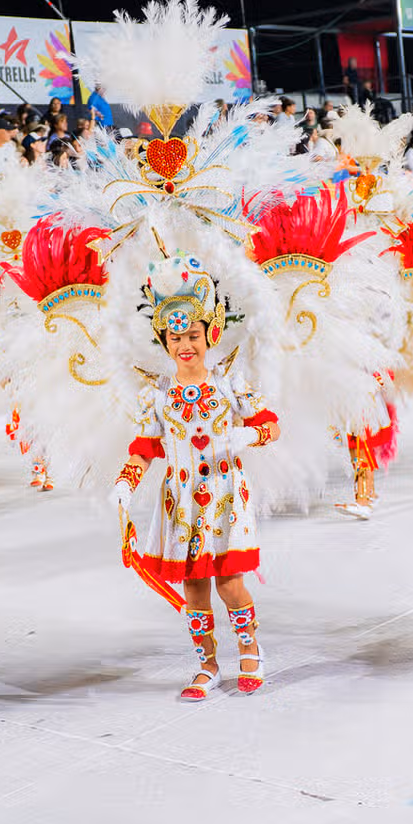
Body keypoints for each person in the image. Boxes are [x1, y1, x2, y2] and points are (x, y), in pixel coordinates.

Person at [108, 254, 282, 700]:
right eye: (175, 337)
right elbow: (145, 447)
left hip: (225, 496)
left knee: (230, 582)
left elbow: (271, 427)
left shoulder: (230, 383)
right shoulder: (157, 396)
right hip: (181, 501)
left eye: (192, 335)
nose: (185, 345)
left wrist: (248, 435)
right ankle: (207, 665)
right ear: (164, 342)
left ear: (210, 334)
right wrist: (126, 483)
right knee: (194, 587)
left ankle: (251, 651)